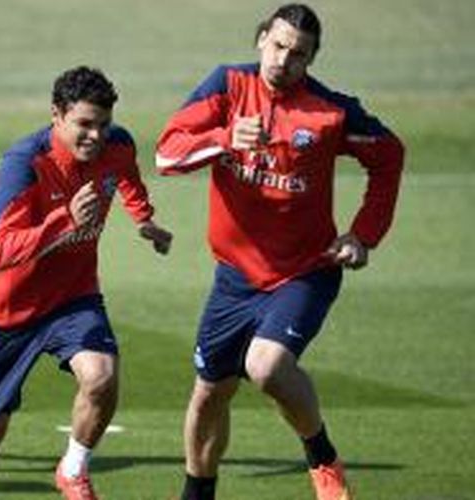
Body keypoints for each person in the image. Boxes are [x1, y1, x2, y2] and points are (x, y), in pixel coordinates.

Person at [155, 4, 404, 500]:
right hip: (233, 278)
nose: (284, 59)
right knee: (209, 394)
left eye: (298, 53)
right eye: (278, 45)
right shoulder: (226, 85)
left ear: (311, 59)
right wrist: (224, 139)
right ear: (261, 39)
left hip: (303, 272)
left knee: (265, 367)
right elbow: (167, 154)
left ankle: (323, 460)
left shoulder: (329, 111)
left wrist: (362, 235)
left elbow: (389, 154)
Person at [0, 66, 173, 500]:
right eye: (84, 125)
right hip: (9, 312)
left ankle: (73, 469)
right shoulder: (24, 163)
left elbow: (125, 174)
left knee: (102, 376)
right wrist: (65, 220)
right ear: (57, 115)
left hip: (74, 296)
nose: (96, 135)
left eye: (103, 125)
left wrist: (144, 219)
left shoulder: (117, 144)